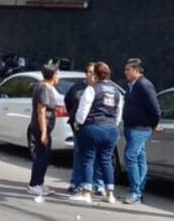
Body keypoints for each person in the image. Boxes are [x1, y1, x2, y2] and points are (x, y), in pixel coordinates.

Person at [70, 61, 124, 205]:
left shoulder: (92, 89)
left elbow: (83, 110)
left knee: (88, 159)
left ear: (96, 74)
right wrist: (112, 124)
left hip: (93, 127)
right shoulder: (117, 91)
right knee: (106, 161)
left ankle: (86, 193)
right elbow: (118, 114)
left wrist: (77, 123)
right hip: (111, 129)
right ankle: (110, 194)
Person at [121, 58, 161, 205]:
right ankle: (139, 189)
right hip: (131, 127)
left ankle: (136, 192)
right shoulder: (132, 85)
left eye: (128, 70)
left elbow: (155, 108)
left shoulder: (144, 85)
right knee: (139, 158)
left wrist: (153, 124)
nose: (125, 72)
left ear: (136, 70)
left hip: (140, 128)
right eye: (125, 70)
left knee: (130, 156)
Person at [65, 63, 104, 196]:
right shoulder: (78, 87)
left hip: (97, 127)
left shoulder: (102, 88)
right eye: (88, 72)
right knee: (79, 154)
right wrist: (75, 118)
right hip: (79, 127)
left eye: (93, 72)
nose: (90, 75)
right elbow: (68, 101)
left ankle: (98, 185)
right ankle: (76, 183)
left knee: (98, 156)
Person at [27, 64, 59, 201]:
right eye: (57, 74)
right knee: (42, 156)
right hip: (41, 128)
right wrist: (44, 132)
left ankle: (39, 183)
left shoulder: (47, 87)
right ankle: (34, 184)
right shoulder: (44, 88)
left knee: (44, 156)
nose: (59, 77)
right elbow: (41, 111)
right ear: (52, 75)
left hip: (44, 128)